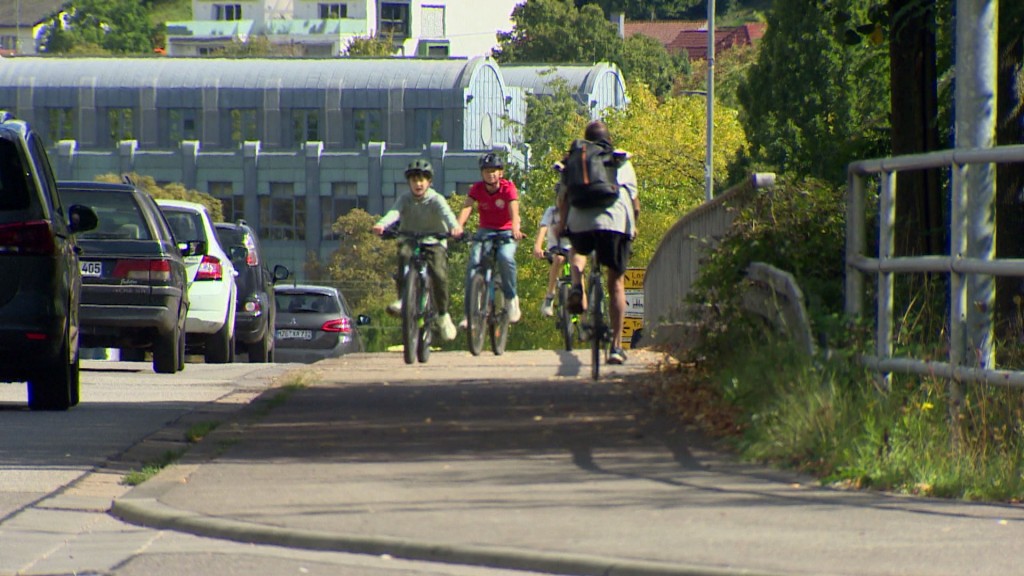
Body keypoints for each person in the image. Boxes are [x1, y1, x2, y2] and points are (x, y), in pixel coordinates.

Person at [554, 120, 639, 365]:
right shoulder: (620, 160)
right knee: (616, 283)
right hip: (614, 223)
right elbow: (634, 202)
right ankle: (615, 346)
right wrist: (634, 225)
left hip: (581, 221)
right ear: (609, 139)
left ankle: (578, 285)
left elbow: (565, 196)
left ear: (586, 139)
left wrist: (562, 226)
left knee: (577, 251)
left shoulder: (576, 160)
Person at [371, 159, 463, 341]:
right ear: (409, 183)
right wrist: (381, 224)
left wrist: (455, 227)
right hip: (411, 239)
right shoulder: (404, 199)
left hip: (434, 241)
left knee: (439, 275)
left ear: (429, 182)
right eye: (414, 180)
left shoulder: (436, 199)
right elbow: (394, 213)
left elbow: (448, 215)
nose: (418, 184)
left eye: (422, 180)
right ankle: (404, 299)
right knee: (404, 255)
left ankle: (443, 315)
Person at [456, 152, 524, 325]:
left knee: (505, 257)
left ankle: (511, 299)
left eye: (494, 171)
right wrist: (458, 226)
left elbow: (514, 211)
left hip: (506, 231)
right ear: (482, 173)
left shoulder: (508, 187)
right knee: (473, 264)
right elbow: (467, 207)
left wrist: (516, 228)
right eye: (487, 171)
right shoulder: (477, 189)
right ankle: (470, 314)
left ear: (500, 173)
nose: (491, 174)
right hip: (485, 232)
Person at [532, 183, 573, 317]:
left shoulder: (574, 212)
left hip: (572, 247)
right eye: (560, 199)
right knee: (558, 259)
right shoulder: (551, 212)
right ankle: (550, 296)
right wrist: (538, 247)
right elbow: (543, 228)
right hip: (555, 246)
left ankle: (583, 309)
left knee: (578, 269)